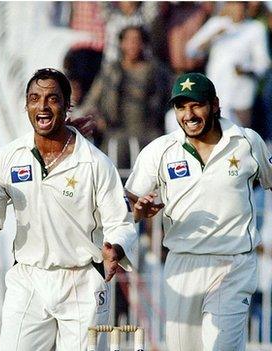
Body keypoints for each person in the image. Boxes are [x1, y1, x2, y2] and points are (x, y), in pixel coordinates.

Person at [0, 68, 138, 351]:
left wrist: (114, 250)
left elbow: (120, 223)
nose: (42, 106)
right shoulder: (9, 157)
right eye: (34, 98)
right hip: (29, 278)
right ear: (26, 105)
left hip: (81, 278)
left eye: (52, 99)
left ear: (67, 106)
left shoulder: (95, 162)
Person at [125, 72, 272, 350]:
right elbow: (128, 202)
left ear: (215, 105)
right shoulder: (161, 150)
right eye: (181, 107)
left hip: (233, 263)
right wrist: (138, 210)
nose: (188, 114)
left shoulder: (246, 142)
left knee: (221, 345)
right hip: (183, 264)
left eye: (196, 105)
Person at [79, 25, 172, 168]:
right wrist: (97, 118)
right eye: (128, 40)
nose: (132, 44)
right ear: (121, 43)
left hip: (148, 131)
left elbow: (170, 100)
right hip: (115, 132)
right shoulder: (111, 71)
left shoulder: (157, 71)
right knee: (108, 164)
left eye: (137, 40)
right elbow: (91, 101)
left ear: (144, 43)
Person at [186, 1, 270, 127]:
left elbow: (263, 63)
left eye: (240, 5)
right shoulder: (216, 24)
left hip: (241, 94)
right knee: (215, 132)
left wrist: (246, 69)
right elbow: (190, 50)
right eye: (233, 4)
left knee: (243, 135)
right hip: (217, 91)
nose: (237, 9)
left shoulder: (255, 28)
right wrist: (213, 36)